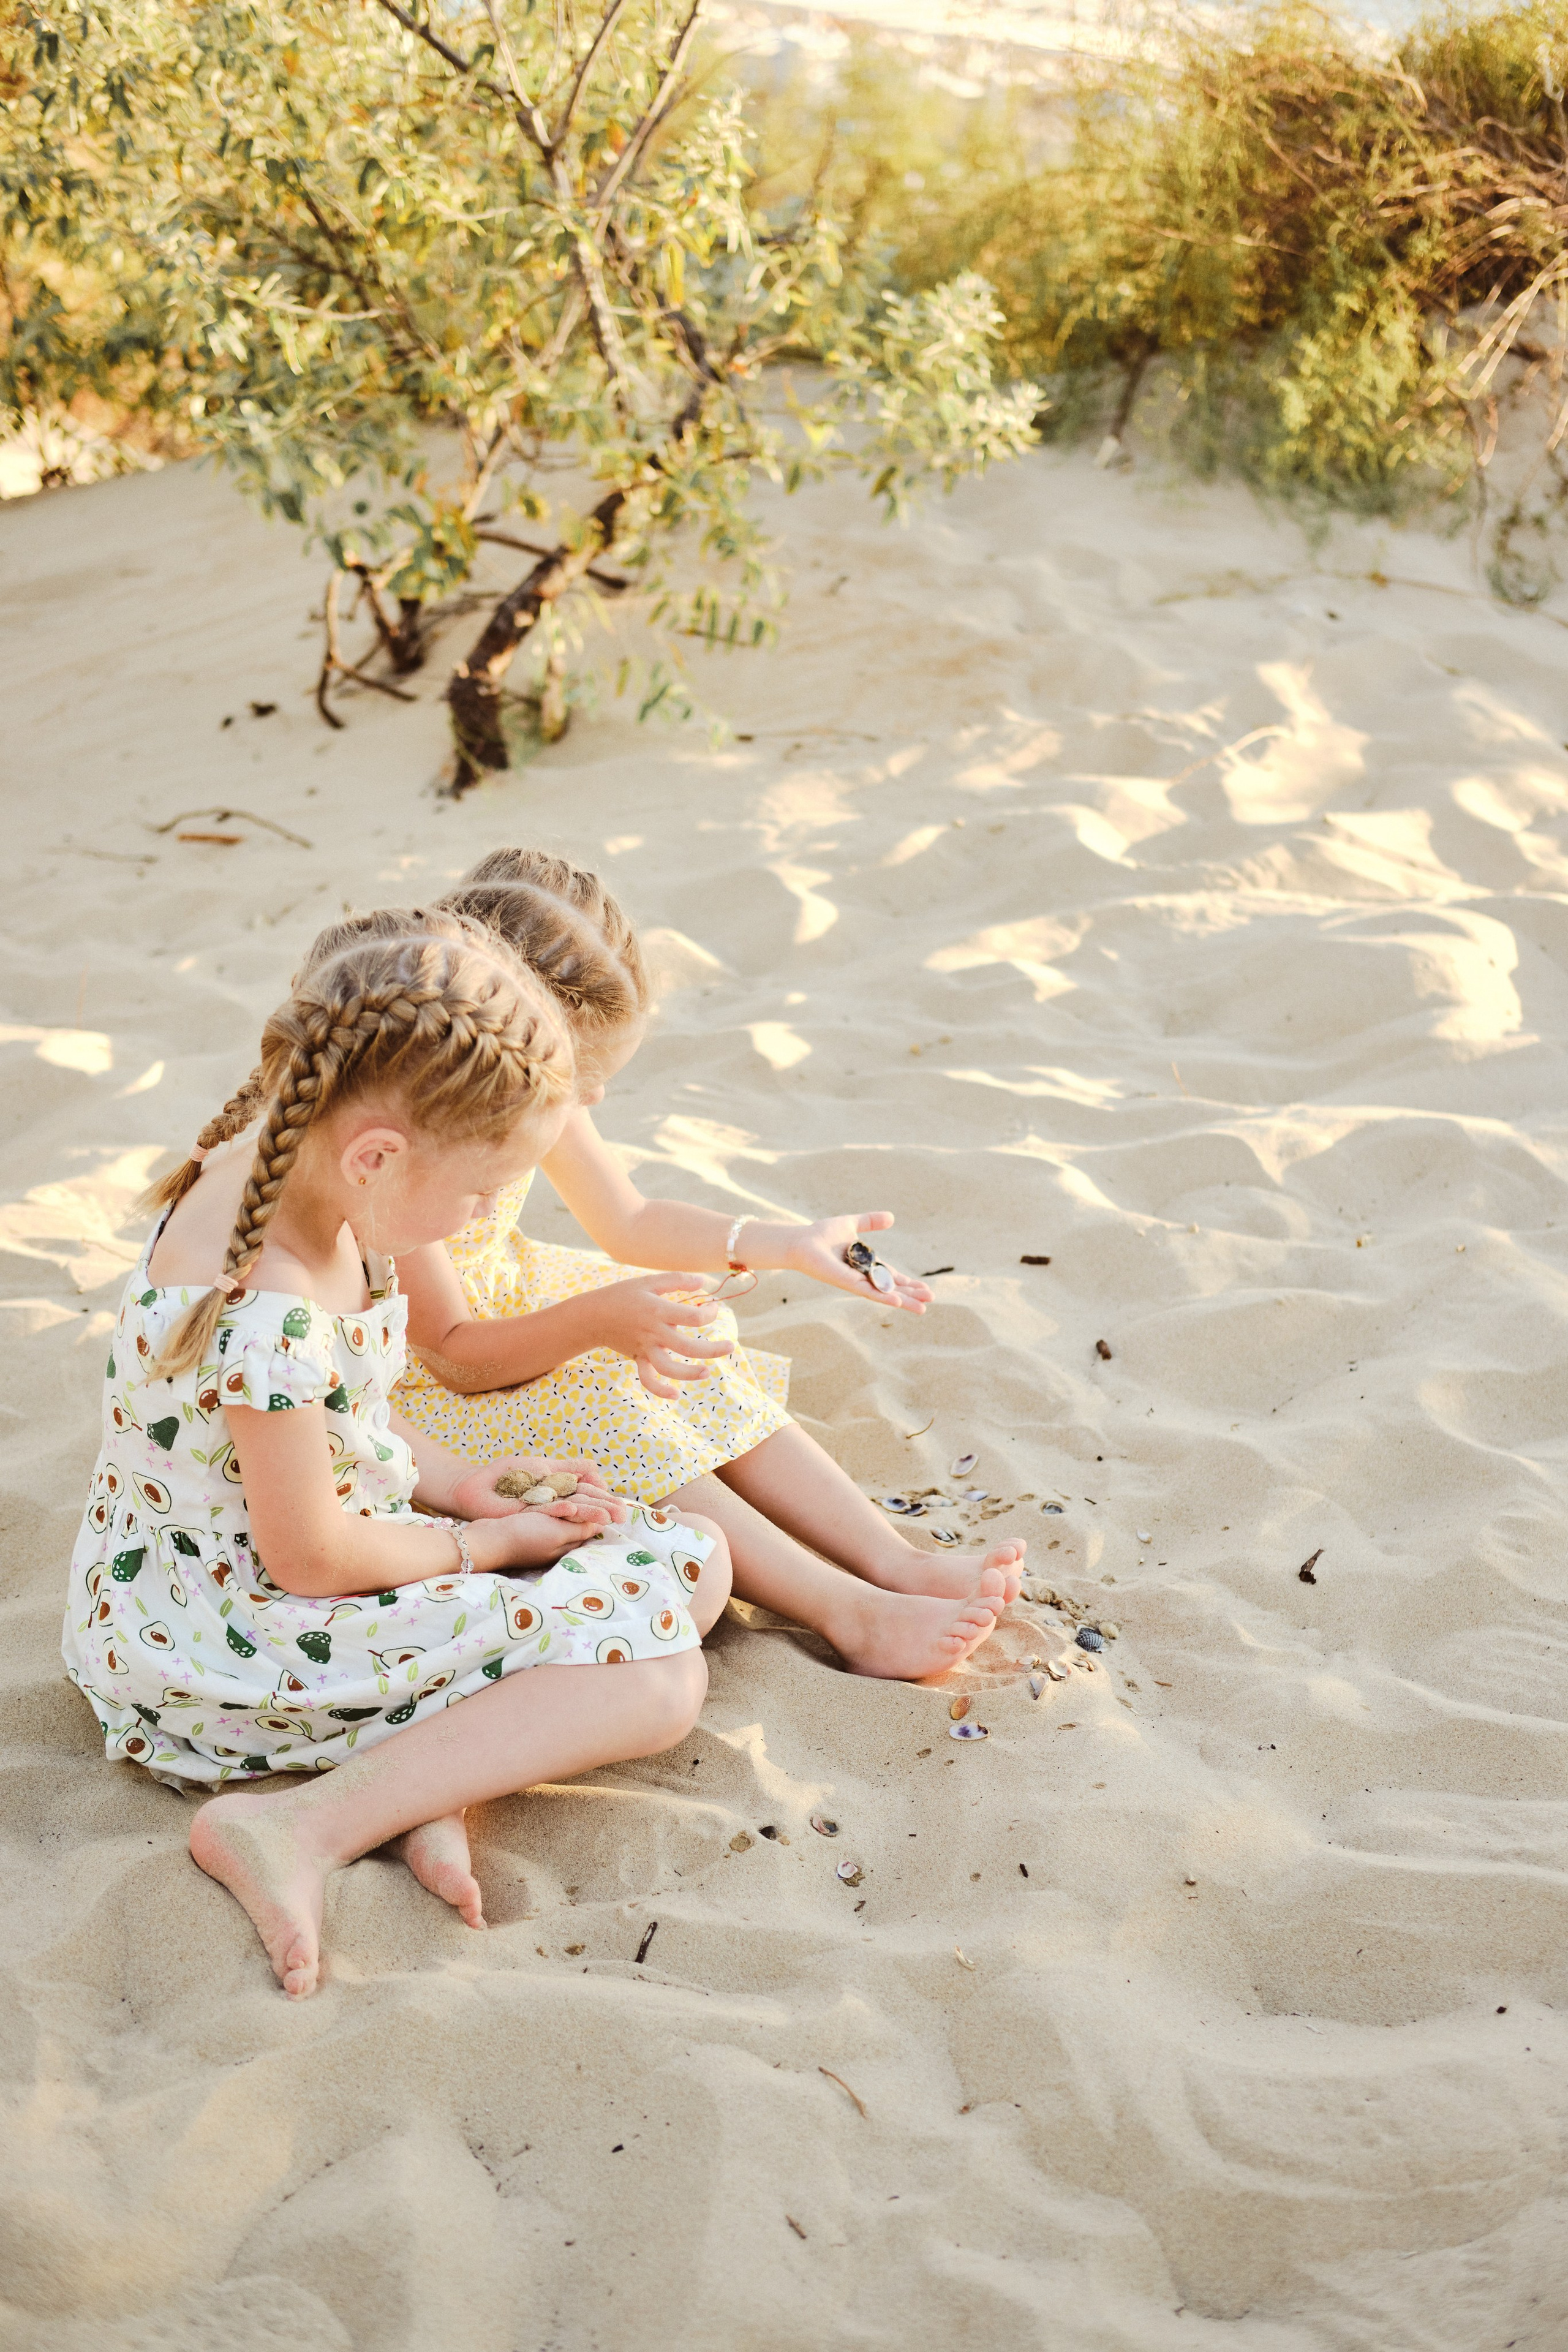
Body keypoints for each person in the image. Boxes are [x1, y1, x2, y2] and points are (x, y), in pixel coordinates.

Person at [62, 925, 733, 1999]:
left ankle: (422, 1783)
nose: (484, 1217)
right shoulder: (267, 1302)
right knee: (662, 1682)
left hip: (310, 1563)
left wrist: (463, 1483)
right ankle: (299, 1827)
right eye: (483, 1193)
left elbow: (343, 1422)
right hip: (226, 1636)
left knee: (696, 1554)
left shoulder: (309, 1174)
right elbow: (311, 1557)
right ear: (379, 1155)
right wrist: (487, 1544)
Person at [386, 851, 1026, 1682]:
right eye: (584, 1076)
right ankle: (849, 1613)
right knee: (605, 1404)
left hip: (503, 1305)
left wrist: (784, 1242)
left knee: (686, 1349)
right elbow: (454, 1356)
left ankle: (893, 1561)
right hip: (422, 1381)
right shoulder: (415, 1147)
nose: (591, 1100)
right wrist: (599, 1322)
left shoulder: (520, 1077)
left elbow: (629, 1219)